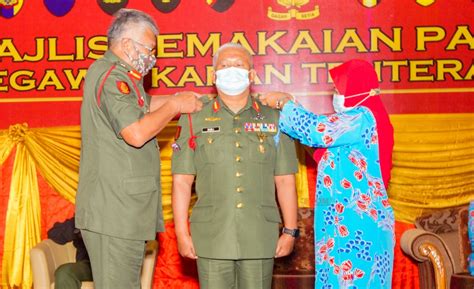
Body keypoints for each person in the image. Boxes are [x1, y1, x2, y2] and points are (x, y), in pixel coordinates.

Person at [75, 8, 202, 289]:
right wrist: (175, 105)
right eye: (149, 48)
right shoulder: (113, 78)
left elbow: (142, 106)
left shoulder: (121, 76)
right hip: (114, 212)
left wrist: (180, 99)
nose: (152, 58)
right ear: (127, 44)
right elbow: (136, 132)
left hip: (121, 210)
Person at [171, 43, 299, 289]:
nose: (231, 70)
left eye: (239, 65)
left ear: (251, 75)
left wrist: (290, 230)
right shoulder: (193, 117)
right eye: (224, 66)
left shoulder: (275, 117)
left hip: (259, 233)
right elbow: (181, 181)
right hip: (211, 234)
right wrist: (181, 233)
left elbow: (284, 179)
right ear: (213, 75)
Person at [259, 59, 395, 289]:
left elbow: (316, 130)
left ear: (357, 88)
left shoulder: (363, 117)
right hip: (340, 223)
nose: (336, 94)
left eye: (339, 89)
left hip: (360, 227)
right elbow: (322, 153)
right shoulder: (351, 124)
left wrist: (286, 102)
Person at [48, 217, 92, 289]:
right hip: (89, 266)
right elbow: (54, 233)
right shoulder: (85, 217)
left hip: (114, 266)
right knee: (64, 273)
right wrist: (78, 228)